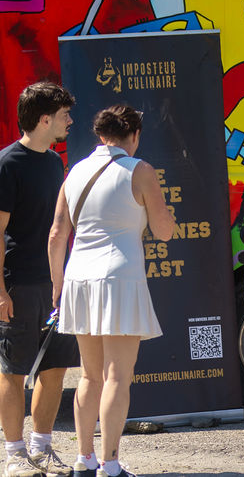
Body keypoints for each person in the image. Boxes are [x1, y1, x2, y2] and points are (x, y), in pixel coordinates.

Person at [47, 104, 174, 477]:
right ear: (134, 135)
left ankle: (84, 458)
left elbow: (57, 234)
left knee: (89, 376)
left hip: (78, 277)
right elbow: (164, 230)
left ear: (101, 136)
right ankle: (111, 463)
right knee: (118, 375)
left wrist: (58, 286)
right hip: (120, 276)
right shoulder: (141, 170)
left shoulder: (74, 172)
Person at [0, 81, 77, 477]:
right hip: (16, 283)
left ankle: (41, 447)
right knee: (13, 371)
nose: (70, 121)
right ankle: (13, 453)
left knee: (56, 368)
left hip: (55, 284)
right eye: (64, 114)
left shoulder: (54, 162)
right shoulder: (7, 163)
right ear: (44, 119)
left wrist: (62, 281)